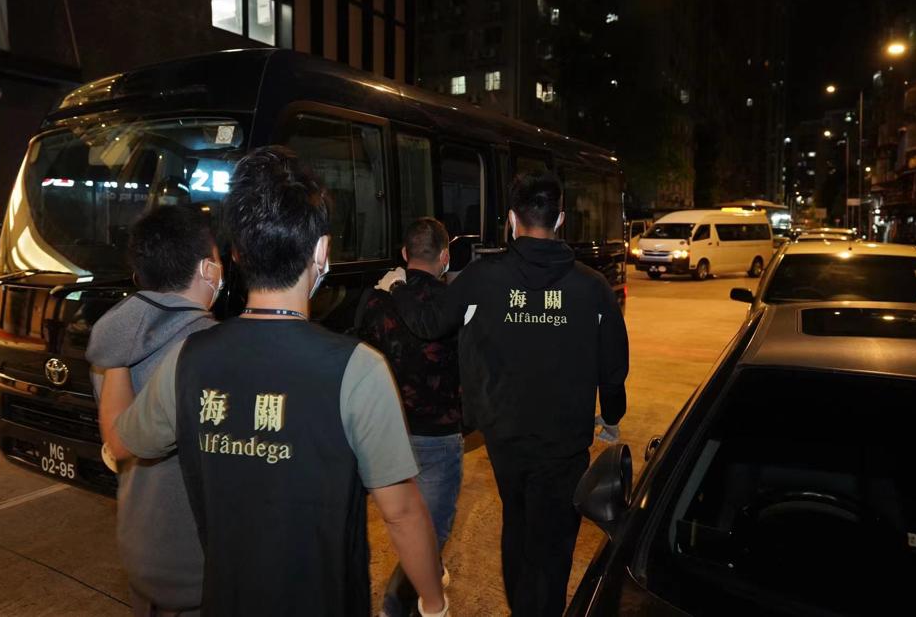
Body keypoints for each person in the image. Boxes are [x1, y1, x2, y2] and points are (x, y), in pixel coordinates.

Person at [107, 146, 449, 617]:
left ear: (237, 254)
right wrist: (434, 602)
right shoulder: (357, 369)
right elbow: (402, 512)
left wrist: (114, 358)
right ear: (322, 251)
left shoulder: (186, 360)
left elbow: (123, 443)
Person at [378, 169, 629, 617]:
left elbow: (430, 322)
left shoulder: (483, 278)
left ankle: (522, 606)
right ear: (561, 219)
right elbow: (613, 366)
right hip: (565, 441)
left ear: (512, 220)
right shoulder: (591, 287)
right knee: (554, 535)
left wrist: (397, 287)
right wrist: (611, 415)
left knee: (518, 520)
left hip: (504, 435)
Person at [86, 204, 223, 617]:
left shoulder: (110, 343)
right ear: (207, 269)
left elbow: (116, 438)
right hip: (199, 559)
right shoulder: (213, 350)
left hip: (141, 544)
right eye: (217, 260)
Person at [355, 217, 462, 617]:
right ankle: (396, 606)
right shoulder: (453, 303)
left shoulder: (377, 299)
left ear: (404, 254)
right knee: (427, 534)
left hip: (386, 433)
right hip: (439, 436)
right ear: (445, 256)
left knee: (400, 523)